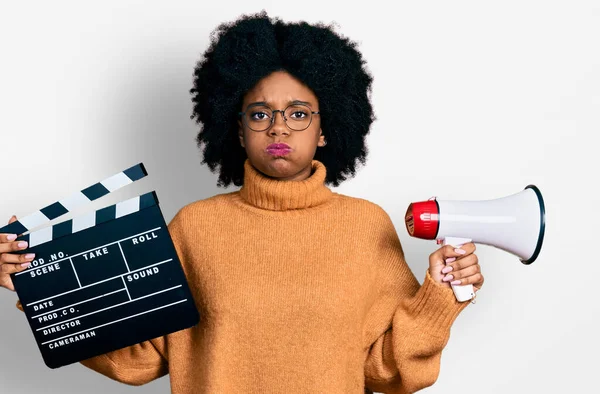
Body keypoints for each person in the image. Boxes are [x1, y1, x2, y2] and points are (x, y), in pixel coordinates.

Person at [0, 11, 484, 394]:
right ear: (236, 128)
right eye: (260, 113)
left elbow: (387, 373)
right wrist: (41, 287)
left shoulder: (366, 227)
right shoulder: (194, 228)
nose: (278, 128)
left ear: (325, 129)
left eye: (298, 113)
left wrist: (441, 296)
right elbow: (140, 358)